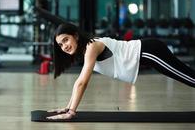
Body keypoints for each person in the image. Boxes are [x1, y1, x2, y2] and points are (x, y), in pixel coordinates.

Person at [47, 23, 195, 120]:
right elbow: (78, 82)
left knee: (188, 78)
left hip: (149, 51)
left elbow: (82, 82)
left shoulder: (91, 47)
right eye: (60, 44)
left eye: (66, 40)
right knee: (188, 76)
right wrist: (67, 107)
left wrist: (71, 112)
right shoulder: (87, 49)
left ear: (76, 36)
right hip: (147, 53)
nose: (64, 46)